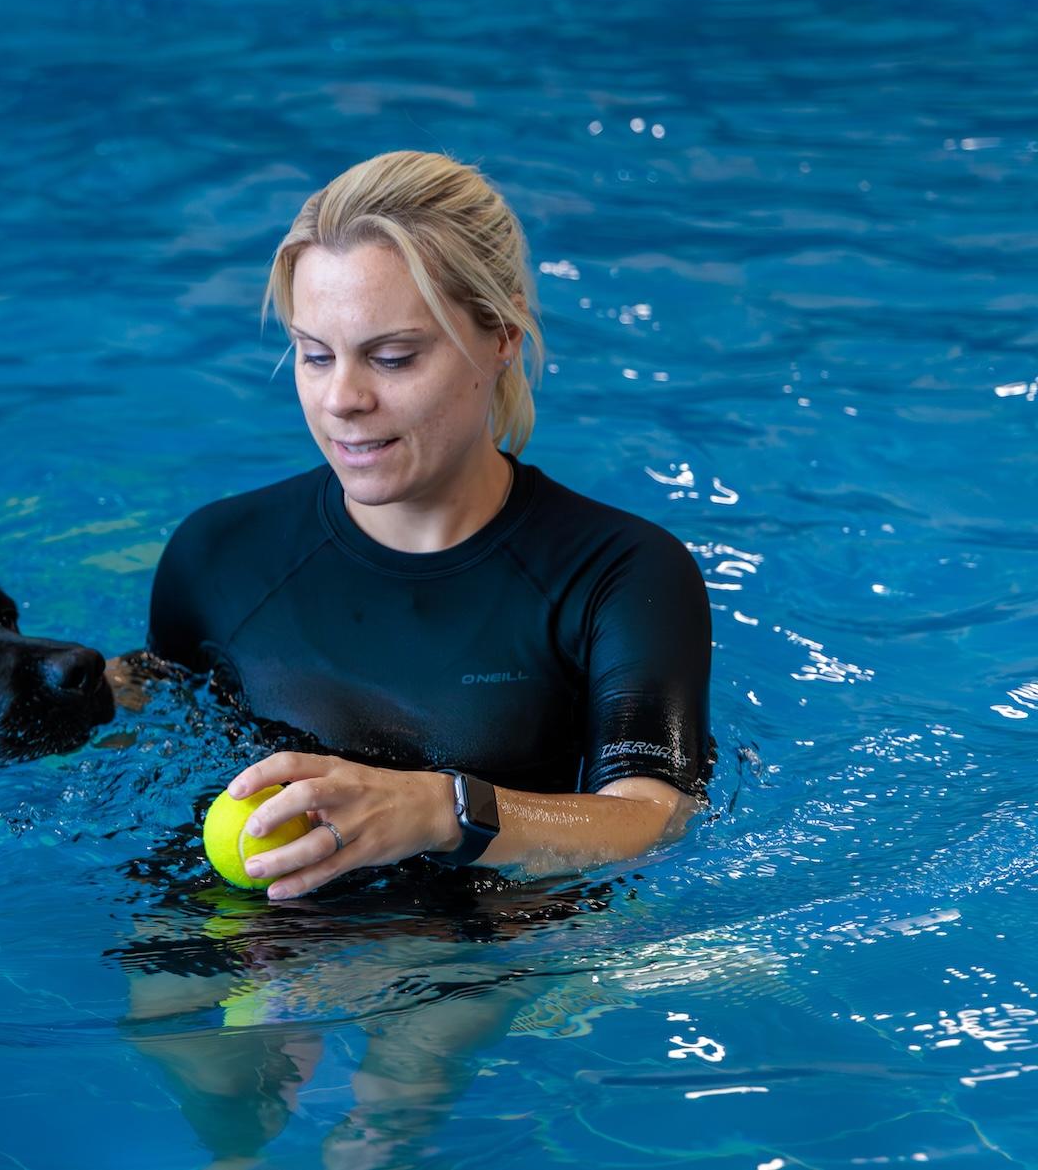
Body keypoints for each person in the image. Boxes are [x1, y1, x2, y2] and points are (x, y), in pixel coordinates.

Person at [147, 149, 712, 899]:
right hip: (246, 905)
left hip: (481, 933)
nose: (342, 398)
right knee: (167, 1020)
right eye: (315, 356)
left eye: (391, 357)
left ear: (503, 334)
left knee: (420, 1025)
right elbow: (150, 729)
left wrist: (443, 810)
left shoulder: (620, 572)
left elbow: (654, 818)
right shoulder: (216, 556)